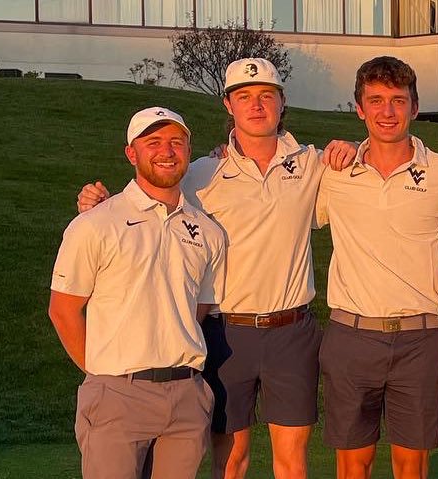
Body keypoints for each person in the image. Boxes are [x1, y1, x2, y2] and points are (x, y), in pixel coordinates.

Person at [74, 58, 355, 479]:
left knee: (292, 461)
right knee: (231, 458)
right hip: (227, 331)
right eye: (244, 96)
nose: (256, 106)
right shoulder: (203, 171)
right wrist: (96, 202)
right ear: (228, 104)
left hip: (292, 330)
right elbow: (148, 194)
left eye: (266, 96)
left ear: (282, 104)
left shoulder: (312, 164)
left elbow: (369, 165)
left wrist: (352, 148)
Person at [48, 107, 225, 478]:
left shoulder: (207, 231)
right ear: (132, 153)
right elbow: (63, 310)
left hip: (186, 395)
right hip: (117, 395)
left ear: (189, 151)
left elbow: (201, 306)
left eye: (176, 142)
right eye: (153, 142)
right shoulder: (95, 223)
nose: (167, 151)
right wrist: (102, 375)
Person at [314, 56, 438, 479]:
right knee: (353, 465)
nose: (387, 112)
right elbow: (273, 198)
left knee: (411, 466)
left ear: (414, 108)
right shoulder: (332, 172)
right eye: (376, 101)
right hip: (350, 337)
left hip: (419, 340)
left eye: (398, 101)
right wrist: (224, 149)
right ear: (359, 108)